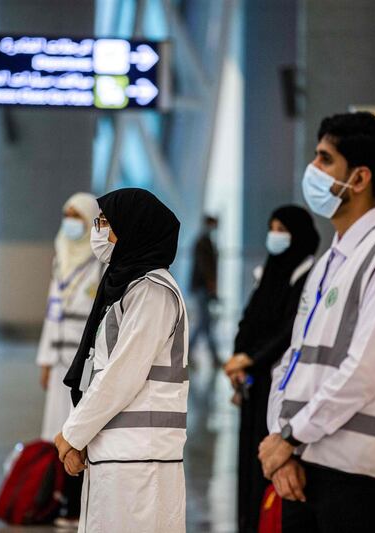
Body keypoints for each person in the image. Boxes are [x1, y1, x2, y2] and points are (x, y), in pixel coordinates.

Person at [260, 112, 375, 533]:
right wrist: (284, 442)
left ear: (359, 178)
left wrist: (291, 437)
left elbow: (364, 372)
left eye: (324, 159)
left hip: (360, 473)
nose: (312, 171)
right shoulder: (329, 263)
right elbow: (294, 362)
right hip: (306, 463)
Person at [54, 188, 188, 533]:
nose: (98, 231)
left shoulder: (153, 291)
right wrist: (82, 435)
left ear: (133, 229)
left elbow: (121, 376)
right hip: (117, 452)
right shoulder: (126, 287)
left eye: (105, 223)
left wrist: (72, 434)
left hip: (141, 458)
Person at [224, 205, 319, 532]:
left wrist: (252, 359)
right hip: (252, 382)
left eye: (283, 228)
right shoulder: (269, 272)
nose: (275, 235)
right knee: (249, 460)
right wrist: (237, 357)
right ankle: (249, 522)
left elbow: (290, 329)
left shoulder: (307, 274)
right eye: (272, 226)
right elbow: (248, 319)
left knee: (272, 458)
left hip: (279, 381)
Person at [36, 192, 102, 526]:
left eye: (77, 215)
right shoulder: (61, 253)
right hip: (60, 356)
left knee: (79, 428)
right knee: (56, 430)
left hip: (84, 363)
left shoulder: (99, 259)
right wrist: (45, 359)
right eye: (67, 214)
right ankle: (60, 498)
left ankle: (76, 503)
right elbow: (52, 311)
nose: (70, 221)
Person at [189, 215, 220, 364]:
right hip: (201, 288)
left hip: (203, 288)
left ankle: (213, 356)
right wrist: (210, 283)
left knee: (205, 324)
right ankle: (187, 351)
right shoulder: (203, 242)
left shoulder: (206, 241)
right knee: (204, 323)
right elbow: (204, 266)